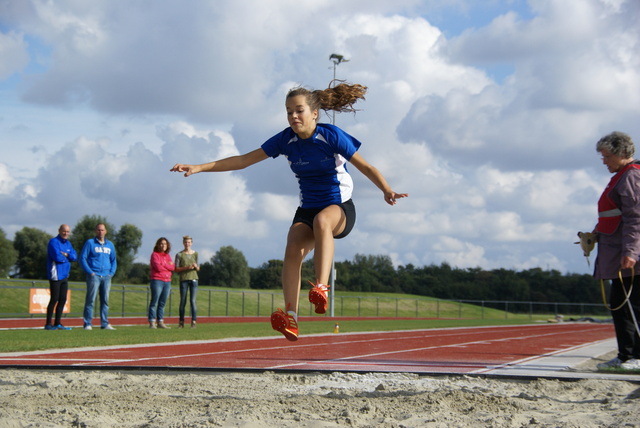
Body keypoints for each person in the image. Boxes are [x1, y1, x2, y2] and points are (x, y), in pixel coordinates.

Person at [171, 83, 408, 341]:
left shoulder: (330, 136)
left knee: (322, 221)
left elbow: (366, 166)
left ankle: (321, 288)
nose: (293, 116)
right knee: (292, 246)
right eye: (288, 112)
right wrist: (199, 167)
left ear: (314, 113)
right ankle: (292, 317)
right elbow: (242, 160)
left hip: (339, 208)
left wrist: (386, 189)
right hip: (307, 208)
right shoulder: (286, 140)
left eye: (299, 110)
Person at [593, 131, 640, 371]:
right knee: (621, 305)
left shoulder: (631, 176)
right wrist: (594, 234)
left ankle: (634, 356)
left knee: (629, 305)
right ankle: (626, 355)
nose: (604, 161)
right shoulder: (621, 176)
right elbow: (614, 215)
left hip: (627, 257)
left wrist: (631, 252)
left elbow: (635, 218)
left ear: (622, 153)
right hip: (616, 251)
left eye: (607, 156)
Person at [80, 223, 117, 330]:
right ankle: (88, 323)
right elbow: (83, 258)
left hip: (106, 276)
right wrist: (90, 272)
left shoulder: (110, 245)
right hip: (94, 275)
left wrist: (111, 273)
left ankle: (104, 323)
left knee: (105, 301)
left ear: (106, 231)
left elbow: (114, 260)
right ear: (95, 231)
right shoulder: (90, 243)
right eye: (98, 230)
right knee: (90, 300)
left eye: (102, 230)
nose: (100, 232)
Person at [44, 224, 77, 330]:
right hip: (55, 274)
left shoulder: (68, 243)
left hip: (65, 275)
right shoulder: (53, 242)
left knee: (63, 299)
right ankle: (48, 323)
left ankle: (58, 323)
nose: (66, 233)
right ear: (59, 231)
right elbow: (57, 257)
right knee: (54, 298)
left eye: (67, 232)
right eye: (64, 231)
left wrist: (67, 255)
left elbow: (74, 257)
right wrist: (67, 257)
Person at [149, 237, 175, 329]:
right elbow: (157, 267)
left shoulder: (167, 256)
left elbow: (173, 267)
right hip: (157, 280)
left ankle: (160, 322)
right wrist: (167, 266)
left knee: (162, 302)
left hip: (167, 281)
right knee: (154, 301)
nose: (163, 245)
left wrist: (164, 265)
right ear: (158, 245)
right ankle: (152, 322)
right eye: (161, 243)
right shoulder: (154, 255)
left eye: (164, 244)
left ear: (167, 245)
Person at [174, 235, 199, 328]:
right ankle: (181, 322)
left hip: (194, 279)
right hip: (184, 279)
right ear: (183, 243)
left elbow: (198, 268)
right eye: (185, 242)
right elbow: (176, 269)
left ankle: (194, 321)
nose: (187, 244)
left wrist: (196, 267)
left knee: (193, 301)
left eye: (189, 242)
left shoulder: (195, 254)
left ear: (191, 243)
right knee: (183, 301)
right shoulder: (179, 254)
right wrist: (187, 268)